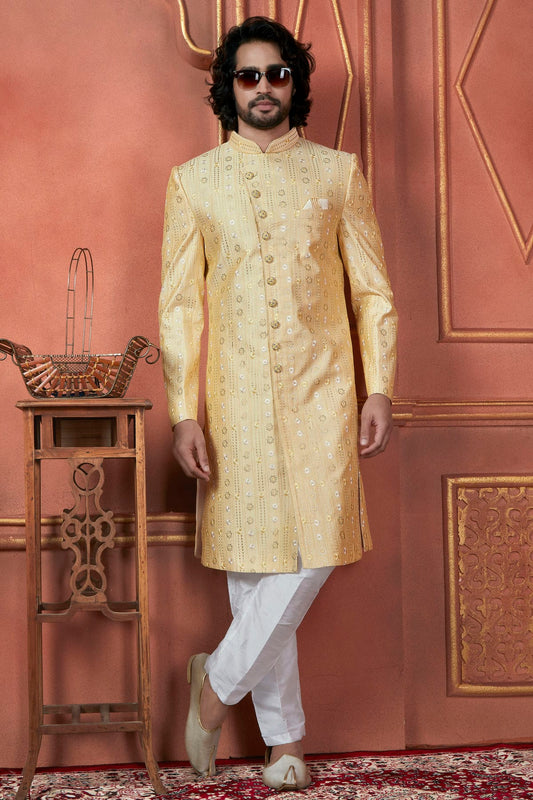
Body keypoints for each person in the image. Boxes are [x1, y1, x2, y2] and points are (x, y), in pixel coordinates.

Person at [159, 16, 397, 791]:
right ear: (227, 89)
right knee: (256, 570)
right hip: (233, 403)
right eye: (248, 75)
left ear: (295, 83)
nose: (263, 88)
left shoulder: (338, 174)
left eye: (277, 74)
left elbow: (371, 292)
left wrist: (379, 385)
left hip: (325, 393)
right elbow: (178, 308)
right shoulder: (193, 181)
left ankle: (215, 684)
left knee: (315, 549)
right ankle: (284, 743)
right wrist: (183, 411)